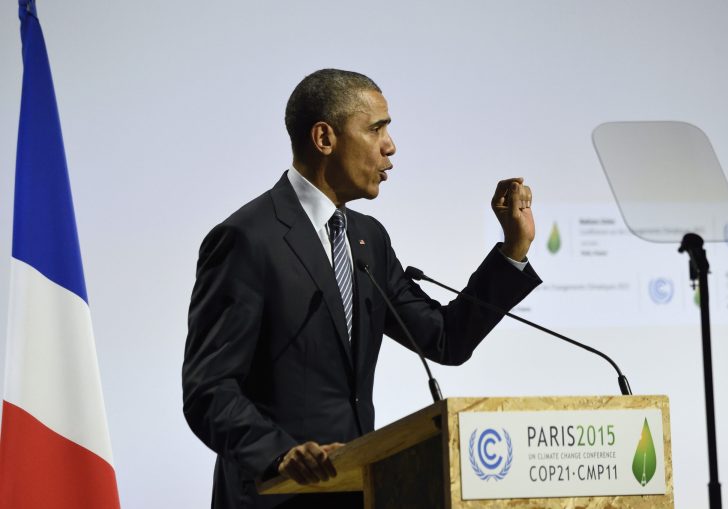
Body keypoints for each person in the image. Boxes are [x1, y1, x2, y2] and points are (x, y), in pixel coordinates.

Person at [182, 69, 541, 509]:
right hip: (276, 497)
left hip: (357, 492)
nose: (390, 145)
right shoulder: (247, 239)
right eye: (376, 128)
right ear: (324, 138)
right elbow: (209, 389)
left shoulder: (367, 238)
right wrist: (279, 455)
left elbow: (444, 338)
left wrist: (512, 251)